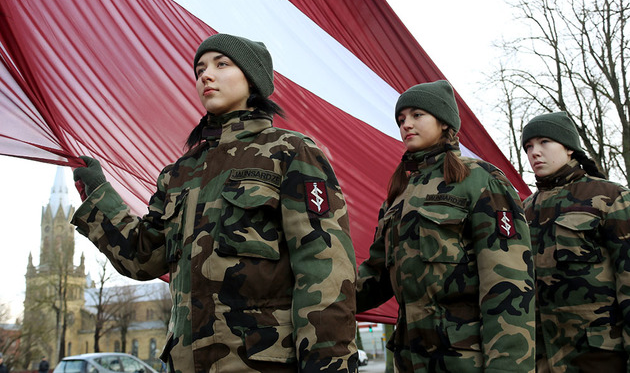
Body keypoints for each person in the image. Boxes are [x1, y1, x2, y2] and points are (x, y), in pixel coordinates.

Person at [71, 33, 358, 372]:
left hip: (262, 364)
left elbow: (323, 269)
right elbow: (142, 257)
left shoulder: (291, 153)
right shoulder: (179, 173)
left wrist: (328, 366)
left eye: (222, 64)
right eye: (200, 68)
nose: (205, 75)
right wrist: (99, 195)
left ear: (252, 79)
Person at [356, 81, 535, 372]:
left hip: (465, 359)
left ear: (444, 121)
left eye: (417, 115)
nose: (406, 125)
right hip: (410, 359)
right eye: (401, 119)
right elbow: (376, 275)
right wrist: (317, 290)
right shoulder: (398, 196)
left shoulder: (481, 180)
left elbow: (508, 282)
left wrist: (508, 367)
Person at [521, 111, 630, 372]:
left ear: (569, 148)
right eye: (528, 146)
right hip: (540, 359)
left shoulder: (611, 197)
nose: (534, 152)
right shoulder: (523, 211)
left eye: (544, 142)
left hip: (598, 358)